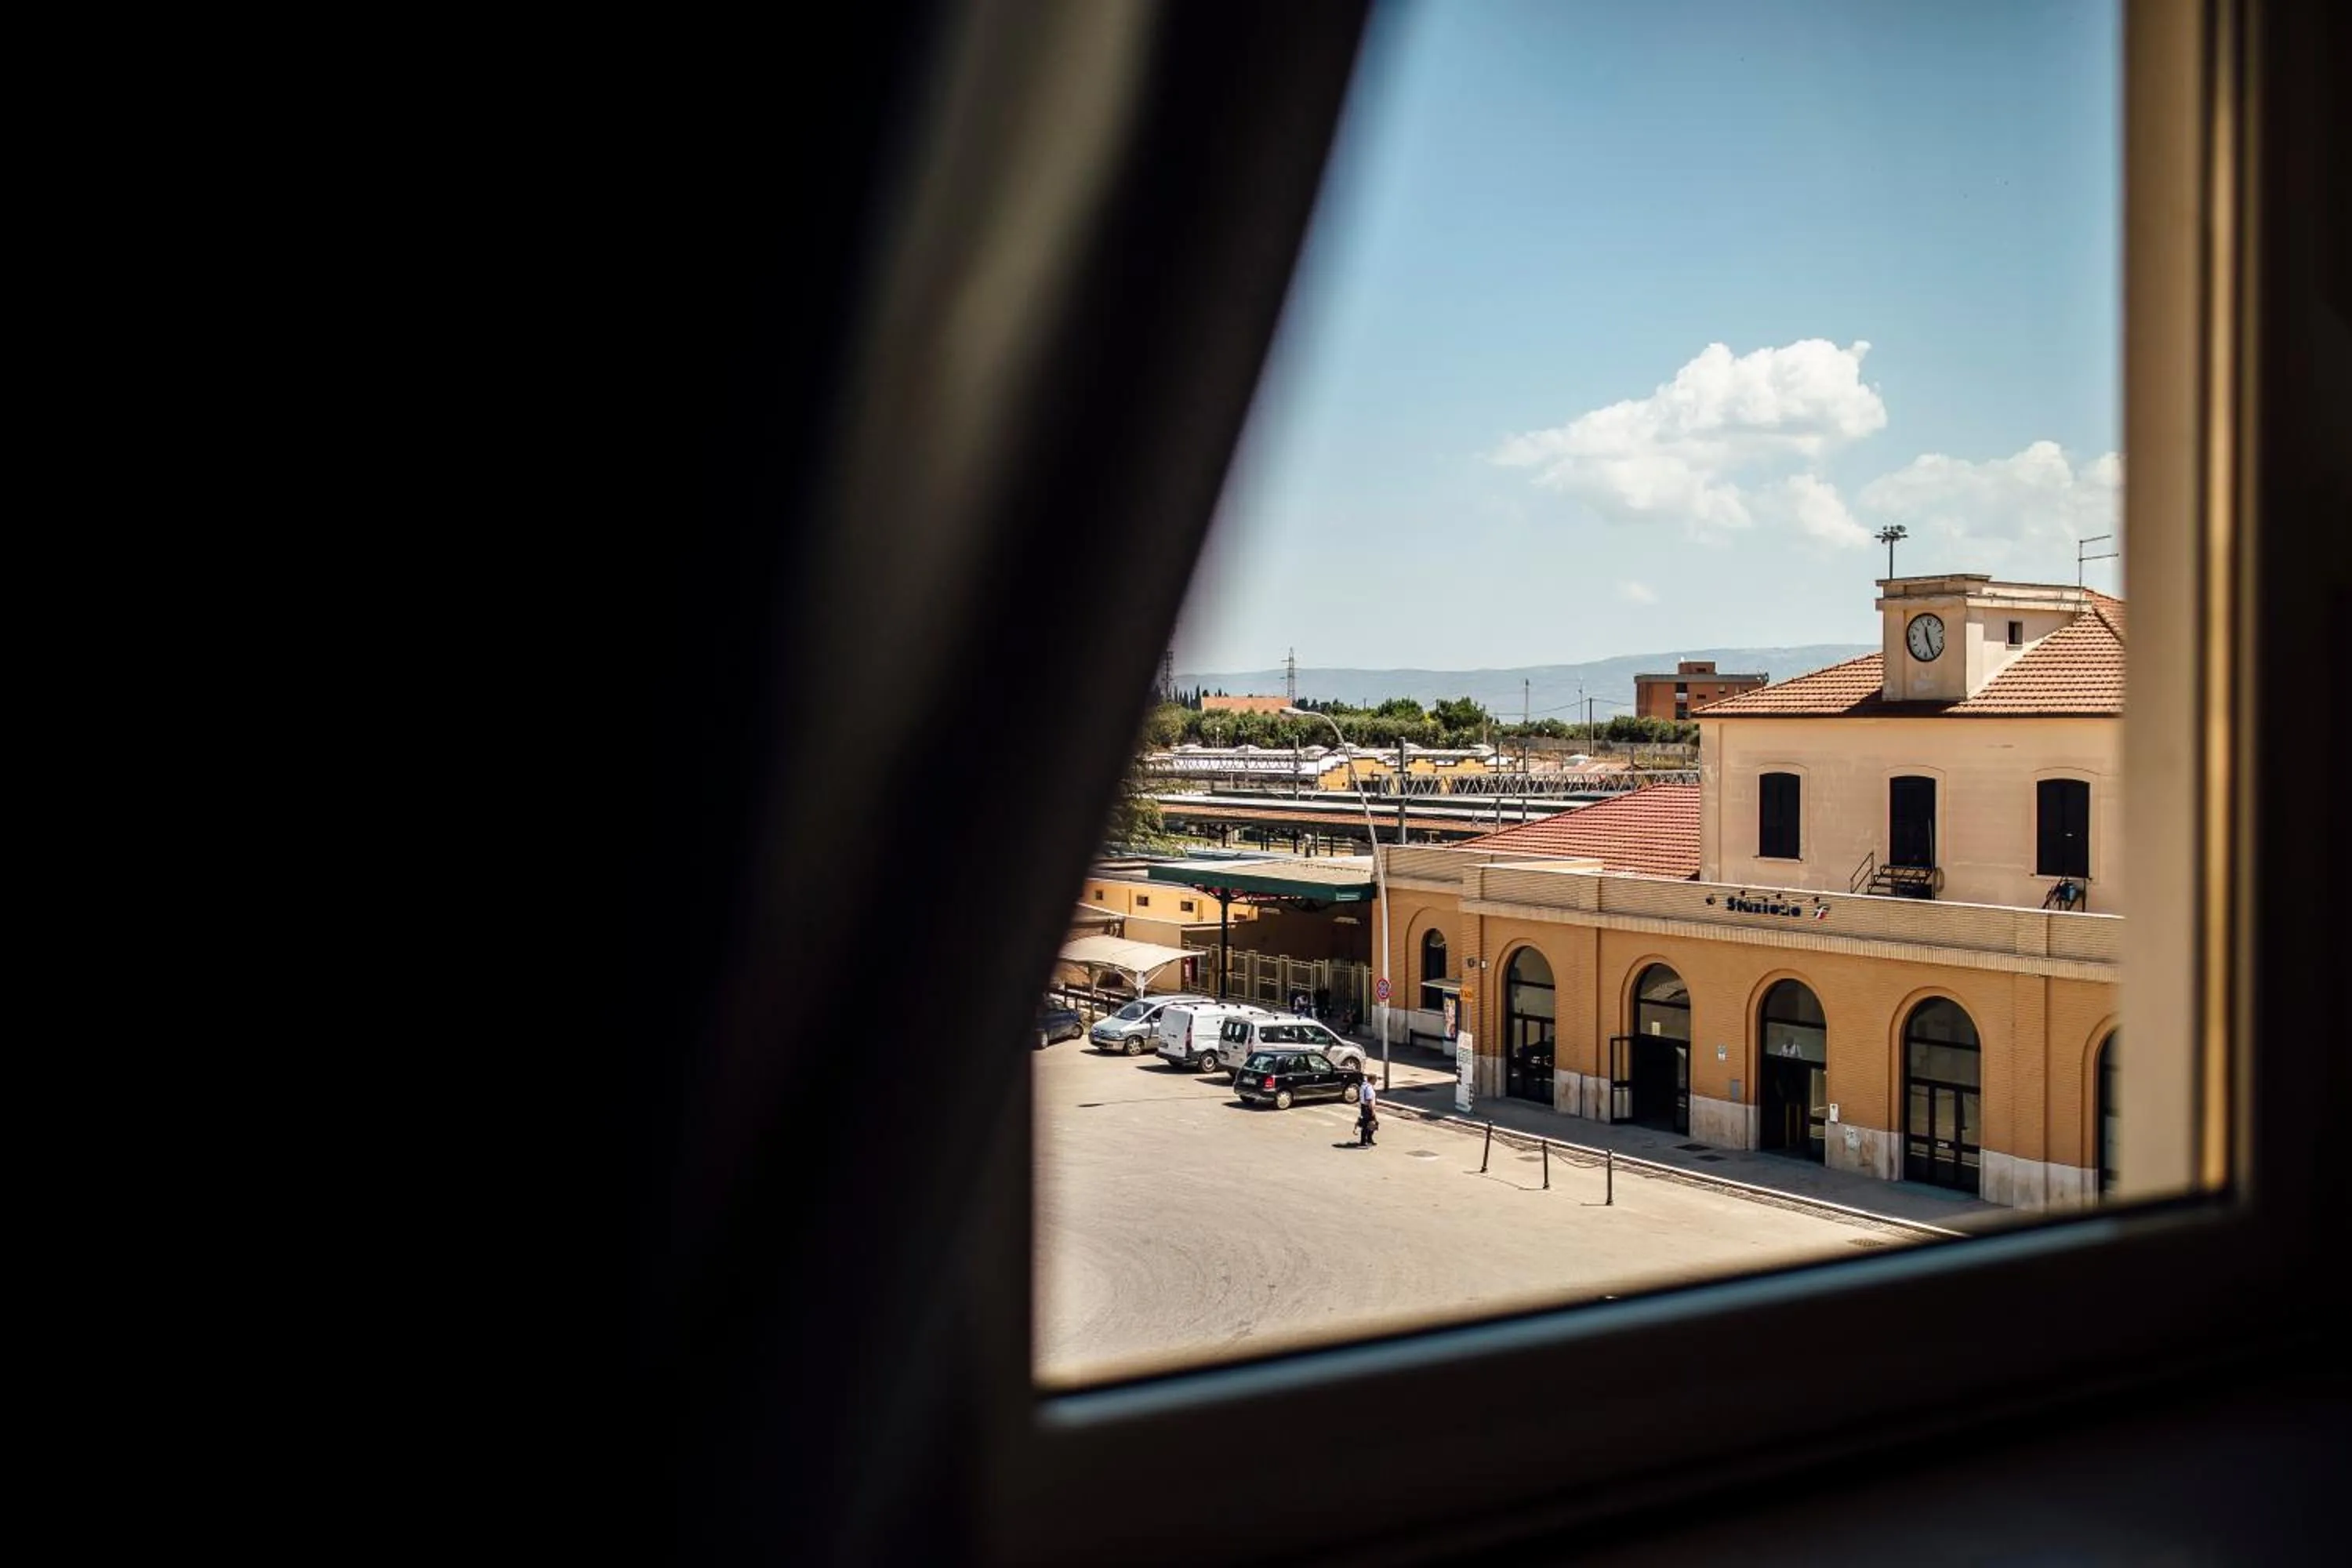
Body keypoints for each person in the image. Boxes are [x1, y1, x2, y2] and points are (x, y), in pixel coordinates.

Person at [1356, 1073, 1379, 1147]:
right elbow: (1369, 1101)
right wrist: (1373, 1111)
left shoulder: (1363, 1086)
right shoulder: (1369, 1088)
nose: (1376, 1082)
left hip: (1363, 1107)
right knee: (1373, 1124)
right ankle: (1366, 1140)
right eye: (1375, 1080)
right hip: (1368, 1108)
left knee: (1366, 1124)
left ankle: (1367, 1139)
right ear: (1372, 1080)